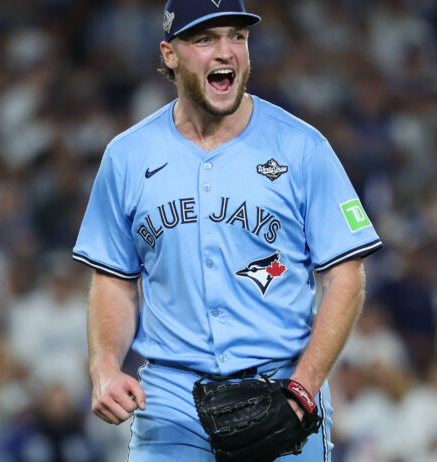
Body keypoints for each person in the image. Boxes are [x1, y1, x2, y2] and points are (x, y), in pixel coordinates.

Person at [71, 0, 382, 460]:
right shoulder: (127, 156)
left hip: (281, 388)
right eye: (205, 39)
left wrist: (304, 386)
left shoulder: (302, 147)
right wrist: (104, 367)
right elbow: (115, 280)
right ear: (170, 54)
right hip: (172, 400)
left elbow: (346, 277)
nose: (226, 51)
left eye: (237, 36)